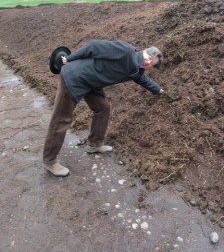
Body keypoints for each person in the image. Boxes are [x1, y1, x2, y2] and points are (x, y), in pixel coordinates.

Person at [43, 39, 164, 177]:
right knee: (62, 119)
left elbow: (143, 81)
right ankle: (49, 160)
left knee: (103, 108)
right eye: (148, 59)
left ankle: (94, 144)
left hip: (91, 83)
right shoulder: (126, 51)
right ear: (145, 51)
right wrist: (69, 59)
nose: (147, 63)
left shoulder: (137, 70)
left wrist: (159, 91)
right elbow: (93, 46)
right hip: (75, 77)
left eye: (151, 64)